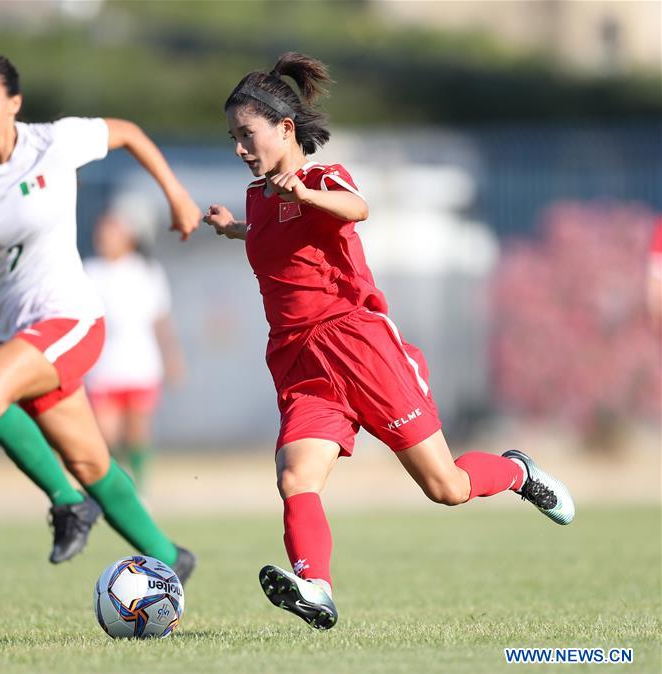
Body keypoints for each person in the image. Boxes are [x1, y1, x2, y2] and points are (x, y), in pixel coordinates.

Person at [202, 52, 575, 629]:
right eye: (232, 137)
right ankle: (315, 587)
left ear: (284, 128)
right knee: (296, 478)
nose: (238, 149)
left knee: (446, 486)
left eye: (245, 135)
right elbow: (278, 238)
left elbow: (357, 207)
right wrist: (235, 228)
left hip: (359, 347)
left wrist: (304, 195)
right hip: (299, 360)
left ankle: (519, 473)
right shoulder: (258, 196)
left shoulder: (321, 180)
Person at [0, 50, 200, 582]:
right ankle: (170, 557)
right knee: (93, 465)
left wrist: (176, 196)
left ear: (13, 104)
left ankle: (67, 502)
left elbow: (130, 133)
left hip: (72, 321)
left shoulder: (52, 142)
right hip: (24, 337)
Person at [83, 211, 185, 492]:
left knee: (137, 433)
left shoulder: (146, 272)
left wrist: (171, 358)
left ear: (127, 238)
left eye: (110, 234)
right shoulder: (89, 271)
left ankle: (141, 488)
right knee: (106, 433)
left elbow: (160, 320)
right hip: (102, 365)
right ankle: (116, 486)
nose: (103, 239)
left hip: (141, 363)